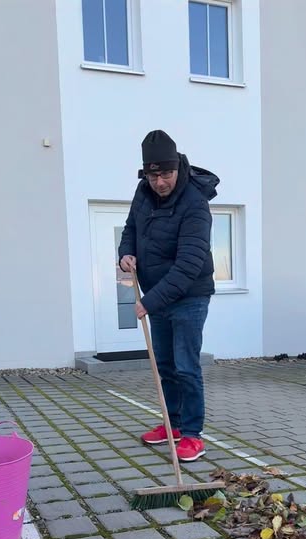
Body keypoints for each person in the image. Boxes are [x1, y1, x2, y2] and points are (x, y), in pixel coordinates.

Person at [118, 130, 219, 461]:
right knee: (165, 366)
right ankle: (172, 425)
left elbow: (189, 264)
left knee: (186, 367)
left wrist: (148, 302)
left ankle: (192, 435)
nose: (160, 182)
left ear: (177, 168)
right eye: (153, 176)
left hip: (189, 297)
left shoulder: (195, 203)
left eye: (166, 175)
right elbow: (131, 228)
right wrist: (126, 254)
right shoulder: (143, 192)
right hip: (157, 296)